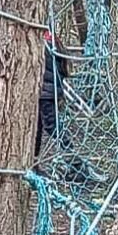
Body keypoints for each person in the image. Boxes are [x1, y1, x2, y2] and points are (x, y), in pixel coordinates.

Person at [35, 31, 68, 159]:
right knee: (37, 127)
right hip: (49, 92)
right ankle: (34, 161)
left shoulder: (44, 44)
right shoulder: (53, 41)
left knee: (52, 126)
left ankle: (75, 162)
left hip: (45, 93)